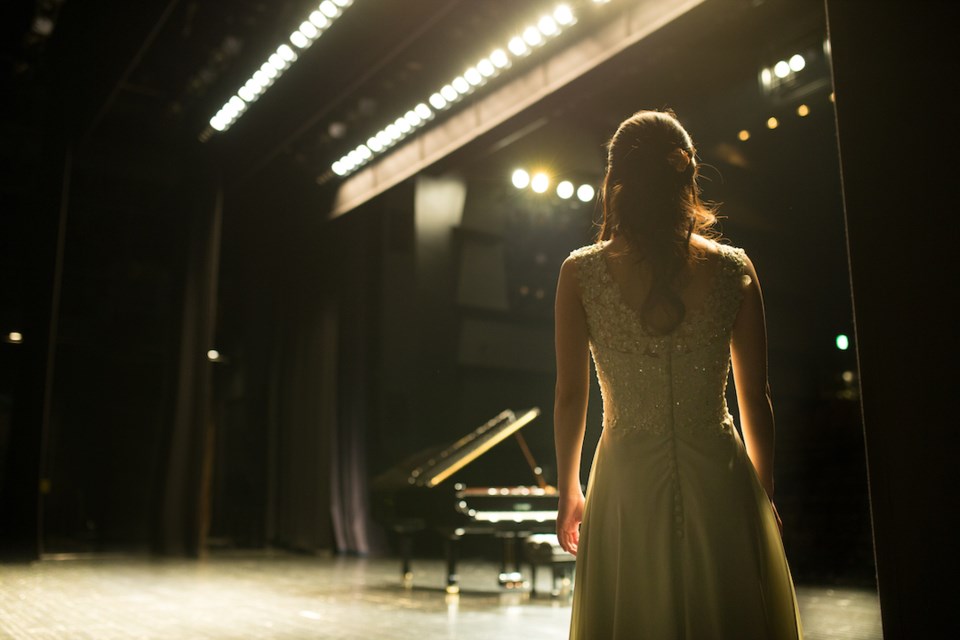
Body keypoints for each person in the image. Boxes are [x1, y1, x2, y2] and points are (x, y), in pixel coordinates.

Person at [553, 110, 802, 639]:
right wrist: (763, 492)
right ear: (687, 176)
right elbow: (755, 396)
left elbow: (571, 395)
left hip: (625, 481)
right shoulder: (735, 269)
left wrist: (568, 488)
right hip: (720, 476)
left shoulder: (580, 273)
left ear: (615, 180)